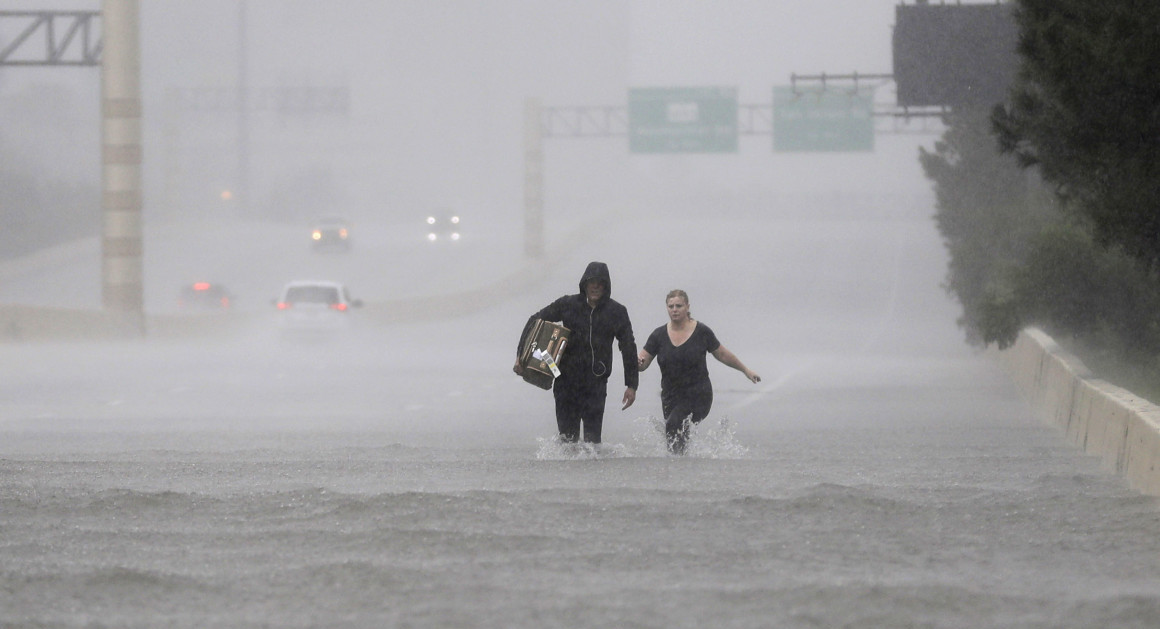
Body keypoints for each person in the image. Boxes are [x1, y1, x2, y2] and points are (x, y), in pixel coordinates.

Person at [514, 261, 638, 444]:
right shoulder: (568, 304)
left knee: (592, 442)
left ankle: (590, 472)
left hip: (596, 382)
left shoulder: (617, 312)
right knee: (567, 441)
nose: (595, 286)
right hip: (565, 380)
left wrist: (632, 385)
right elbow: (535, 319)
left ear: (606, 285)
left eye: (600, 282)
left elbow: (628, 347)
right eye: (591, 282)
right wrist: (521, 355)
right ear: (584, 284)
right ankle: (569, 473)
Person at [637, 289, 760, 454]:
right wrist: (636, 363)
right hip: (670, 396)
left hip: (699, 393)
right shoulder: (658, 335)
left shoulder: (701, 332)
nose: (674, 309)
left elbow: (722, 354)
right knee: (676, 431)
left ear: (687, 306)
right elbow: (642, 363)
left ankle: (676, 465)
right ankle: (685, 464)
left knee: (674, 424)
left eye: (679, 306)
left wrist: (745, 370)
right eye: (671, 306)